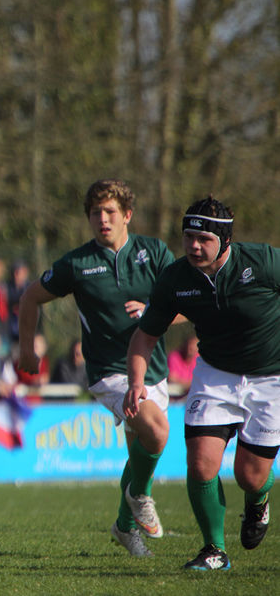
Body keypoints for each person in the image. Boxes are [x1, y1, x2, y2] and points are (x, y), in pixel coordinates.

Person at [18, 178, 177, 558]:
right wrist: (26, 350)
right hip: (108, 371)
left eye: (109, 212)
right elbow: (30, 297)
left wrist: (156, 313)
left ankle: (124, 526)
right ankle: (139, 496)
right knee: (156, 431)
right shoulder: (78, 263)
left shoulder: (154, 252)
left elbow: (189, 299)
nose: (102, 219)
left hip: (154, 367)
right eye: (95, 213)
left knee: (141, 447)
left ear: (127, 215)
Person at [126, 196, 279, 571]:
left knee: (249, 475)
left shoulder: (263, 262)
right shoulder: (176, 279)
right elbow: (145, 336)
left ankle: (257, 501)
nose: (194, 246)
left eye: (204, 239)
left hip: (270, 379)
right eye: (189, 237)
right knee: (200, 463)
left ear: (225, 241)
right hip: (215, 375)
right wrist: (135, 381)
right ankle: (214, 550)